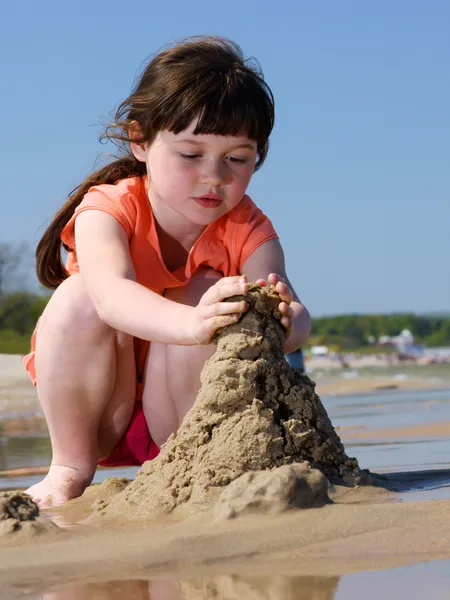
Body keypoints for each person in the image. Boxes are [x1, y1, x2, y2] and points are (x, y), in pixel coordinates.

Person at [23, 36, 311, 507]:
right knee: (79, 295)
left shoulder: (249, 227)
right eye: (191, 154)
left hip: (186, 418)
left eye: (236, 159)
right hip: (101, 409)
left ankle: (196, 465)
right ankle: (67, 469)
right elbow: (111, 295)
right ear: (140, 141)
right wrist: (192, 324)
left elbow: (297, 316)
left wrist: (285, 320)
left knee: (213, 291)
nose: (213, 177)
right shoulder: (109, 209)